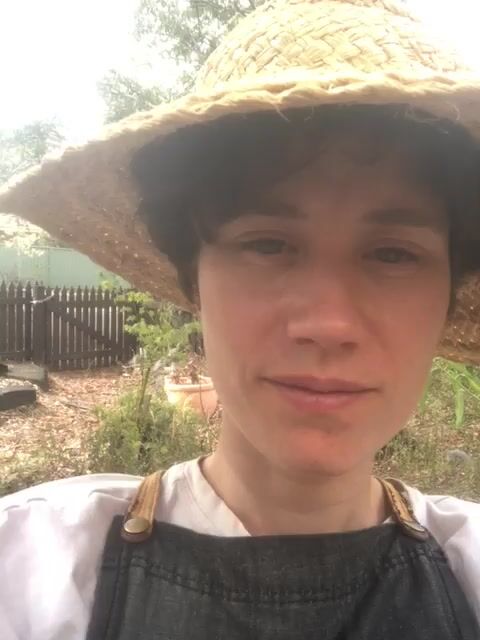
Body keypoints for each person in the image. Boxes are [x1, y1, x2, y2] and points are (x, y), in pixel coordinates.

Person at [1, 0, 480, 638]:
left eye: (393, 254)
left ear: (448, 294)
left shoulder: (468, 566)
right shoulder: (37, 569)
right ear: (191, 279)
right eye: (268, 244)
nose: (329, 323)